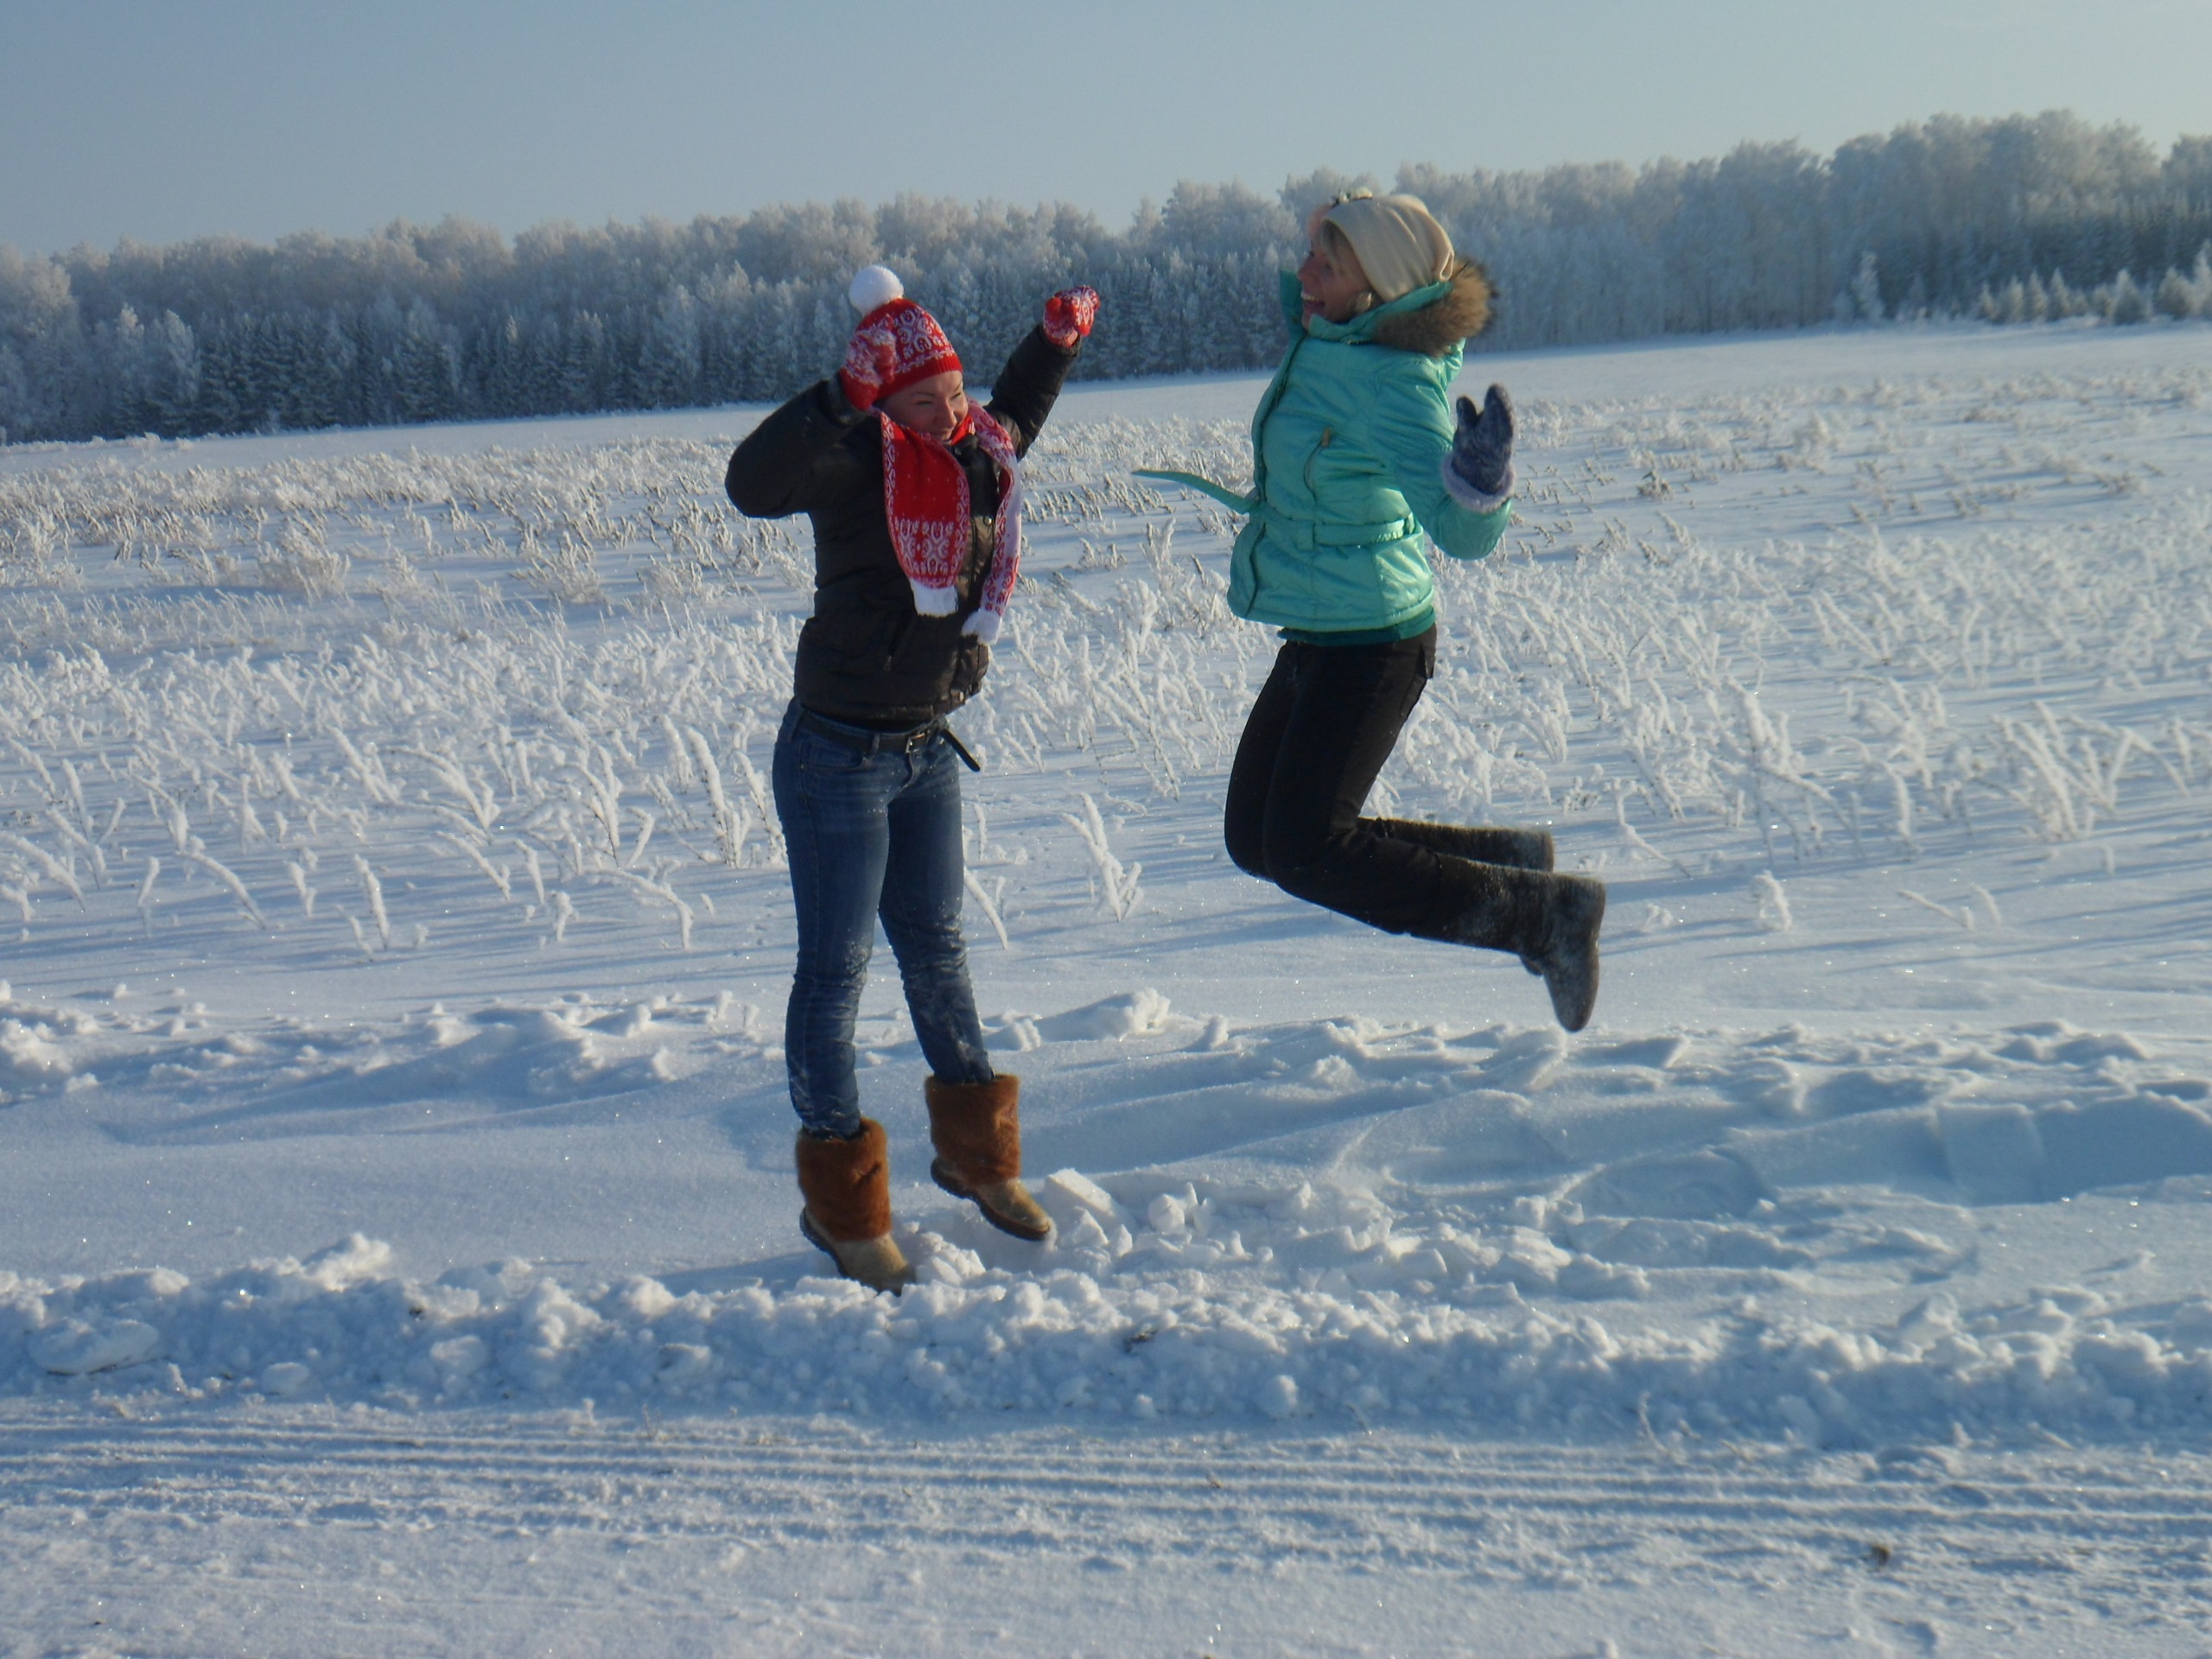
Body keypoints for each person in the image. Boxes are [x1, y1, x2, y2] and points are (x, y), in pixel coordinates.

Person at [1141, 191, 1605, 1030]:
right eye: (1310, 255)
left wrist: (1480, 485)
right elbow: (1312, 292)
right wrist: (1340, 225)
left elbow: (1459, 534)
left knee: (1307, 848)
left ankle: (1543, 916)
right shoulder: (1331, 340)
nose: (1303, 273)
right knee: (1257, 840)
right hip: (1317, 633)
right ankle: (1511, 860)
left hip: (1376, 642)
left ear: (1377, 287)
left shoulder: (1393, 385)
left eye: (1327, 262)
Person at [726, 266, 1098, 1293]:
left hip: (926, 749)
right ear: (883, 404)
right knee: (836, 972)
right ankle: (843, 1208)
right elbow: (751, 486)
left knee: (938, 951)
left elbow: (1016, 411)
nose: (949, 411)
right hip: (836, 758)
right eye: (922, 399)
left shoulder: (977, 451)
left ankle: (977, 1159)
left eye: (953, 391)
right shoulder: (856, 463)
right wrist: (835, 401)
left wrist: (1053, 346)